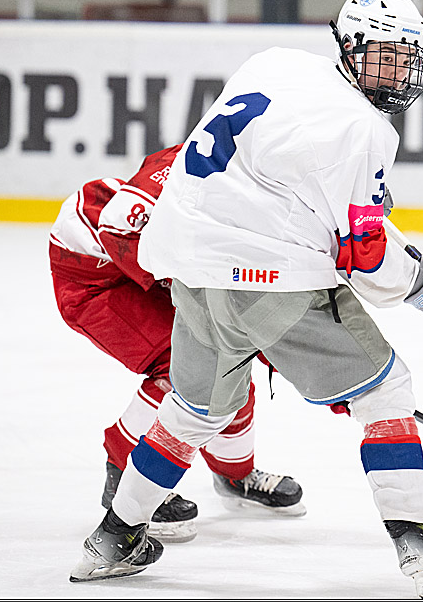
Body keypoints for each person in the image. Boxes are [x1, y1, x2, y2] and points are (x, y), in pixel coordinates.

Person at [69, 0, 423, 600]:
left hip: (190, 265)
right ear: (349, 48)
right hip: (269, 281)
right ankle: (419, 548)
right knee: (387, 392)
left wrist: (348, 208)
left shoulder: (274, 62)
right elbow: (365, 260)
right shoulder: (365, 129)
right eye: (381, 58)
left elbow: (266, 176)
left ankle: (112, 538)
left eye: (405, 58)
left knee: (191, 413)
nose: (395, 72)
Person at [49, 143, 307, 544]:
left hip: (150, 262)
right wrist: (189, 287)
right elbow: (119, 228)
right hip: (95, 273)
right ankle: (122, 472)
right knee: (182, 365)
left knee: (231, 363)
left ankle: (235, 475)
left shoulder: (262, 180)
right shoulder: (192, 162)